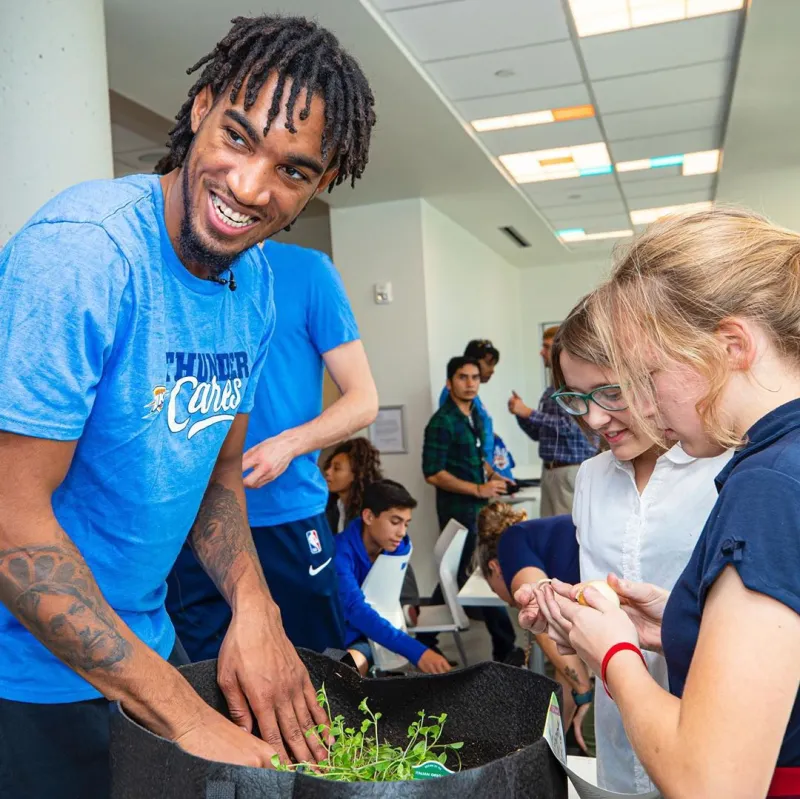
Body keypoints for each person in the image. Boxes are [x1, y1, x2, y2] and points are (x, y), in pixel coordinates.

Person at [0, 14, 376, 797]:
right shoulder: (84, 255)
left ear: (320, 182)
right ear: (200, 106)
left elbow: (218, 474)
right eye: (237, 137)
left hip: (145, 649)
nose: (250, 187)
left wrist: (254, 605)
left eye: (293, 171)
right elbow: (10, 517)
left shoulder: (257, 282)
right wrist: (184, 715)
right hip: (24, 688)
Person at [522, 208, 800, 798]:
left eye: (645, 379)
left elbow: (713, 784)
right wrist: (679, 620)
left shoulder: (767, 483)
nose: (644, 411)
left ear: (732, 347)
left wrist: (614, 650)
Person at [549, 294, 733, 794]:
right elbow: (600, 601)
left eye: (609, 392)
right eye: (575, 398)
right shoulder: (590, 477)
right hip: (616, 731)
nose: (593, 418)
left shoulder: (727, 469)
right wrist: (566, 622)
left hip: (713, 741)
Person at [167, 237, 378, 659]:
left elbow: (363, 399)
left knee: (311, 675)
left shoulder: (308, 271)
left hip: (285, 514)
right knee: (205, 681)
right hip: (188, 519)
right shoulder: (166, 267)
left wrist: (287, 445)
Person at [475, 503, 592, 753]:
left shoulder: (511, 542)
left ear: (494, 568)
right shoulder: (537, 538)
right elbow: (566, 664)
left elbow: (540, 611)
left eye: (495, 589)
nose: (506, 600)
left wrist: (584, 693)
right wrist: (549, 747)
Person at [422, 356, 517, 662]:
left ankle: (426, 639)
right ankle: (506, 645)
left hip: (479, 507)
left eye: (475, 377)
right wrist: (478, 488)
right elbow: (433, 472)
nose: (470, 383)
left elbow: (477, 458)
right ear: (450, 383)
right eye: (463, 377)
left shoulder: (475, 416)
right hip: (457, 510)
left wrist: (491, 475)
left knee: (461, 572)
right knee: (470, 571)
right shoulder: (441, 422)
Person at [334, 480, 451, 676]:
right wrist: (417, 651)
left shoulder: (399, 547)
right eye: (395, 522)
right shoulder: (339, 552)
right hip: (346, 635)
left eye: (406, 524)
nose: (402, 532)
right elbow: (356, 610)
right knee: (349, 669)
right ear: (369, 516)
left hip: (380, 627)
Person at [508, 325, 598, 516]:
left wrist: (528, 412)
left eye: (546, 346)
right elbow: (540, 434)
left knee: (567, 536)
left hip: (569, 472)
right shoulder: (552, 388)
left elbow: (570, 426)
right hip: (551, 472)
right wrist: (521, 415)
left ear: (561, 348)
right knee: (551, 534)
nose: (541, 352)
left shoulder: (574, 384)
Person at [439, 339, 500, 464]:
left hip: (482, 466)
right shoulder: (453, 394)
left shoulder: (473, 397)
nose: (492, 370)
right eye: (488, 364)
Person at [324, 438, 383, 534]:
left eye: (336, 468)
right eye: (329, 466)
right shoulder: (330, 506)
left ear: (356, 474)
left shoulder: (370, 513)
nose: (327, 472)